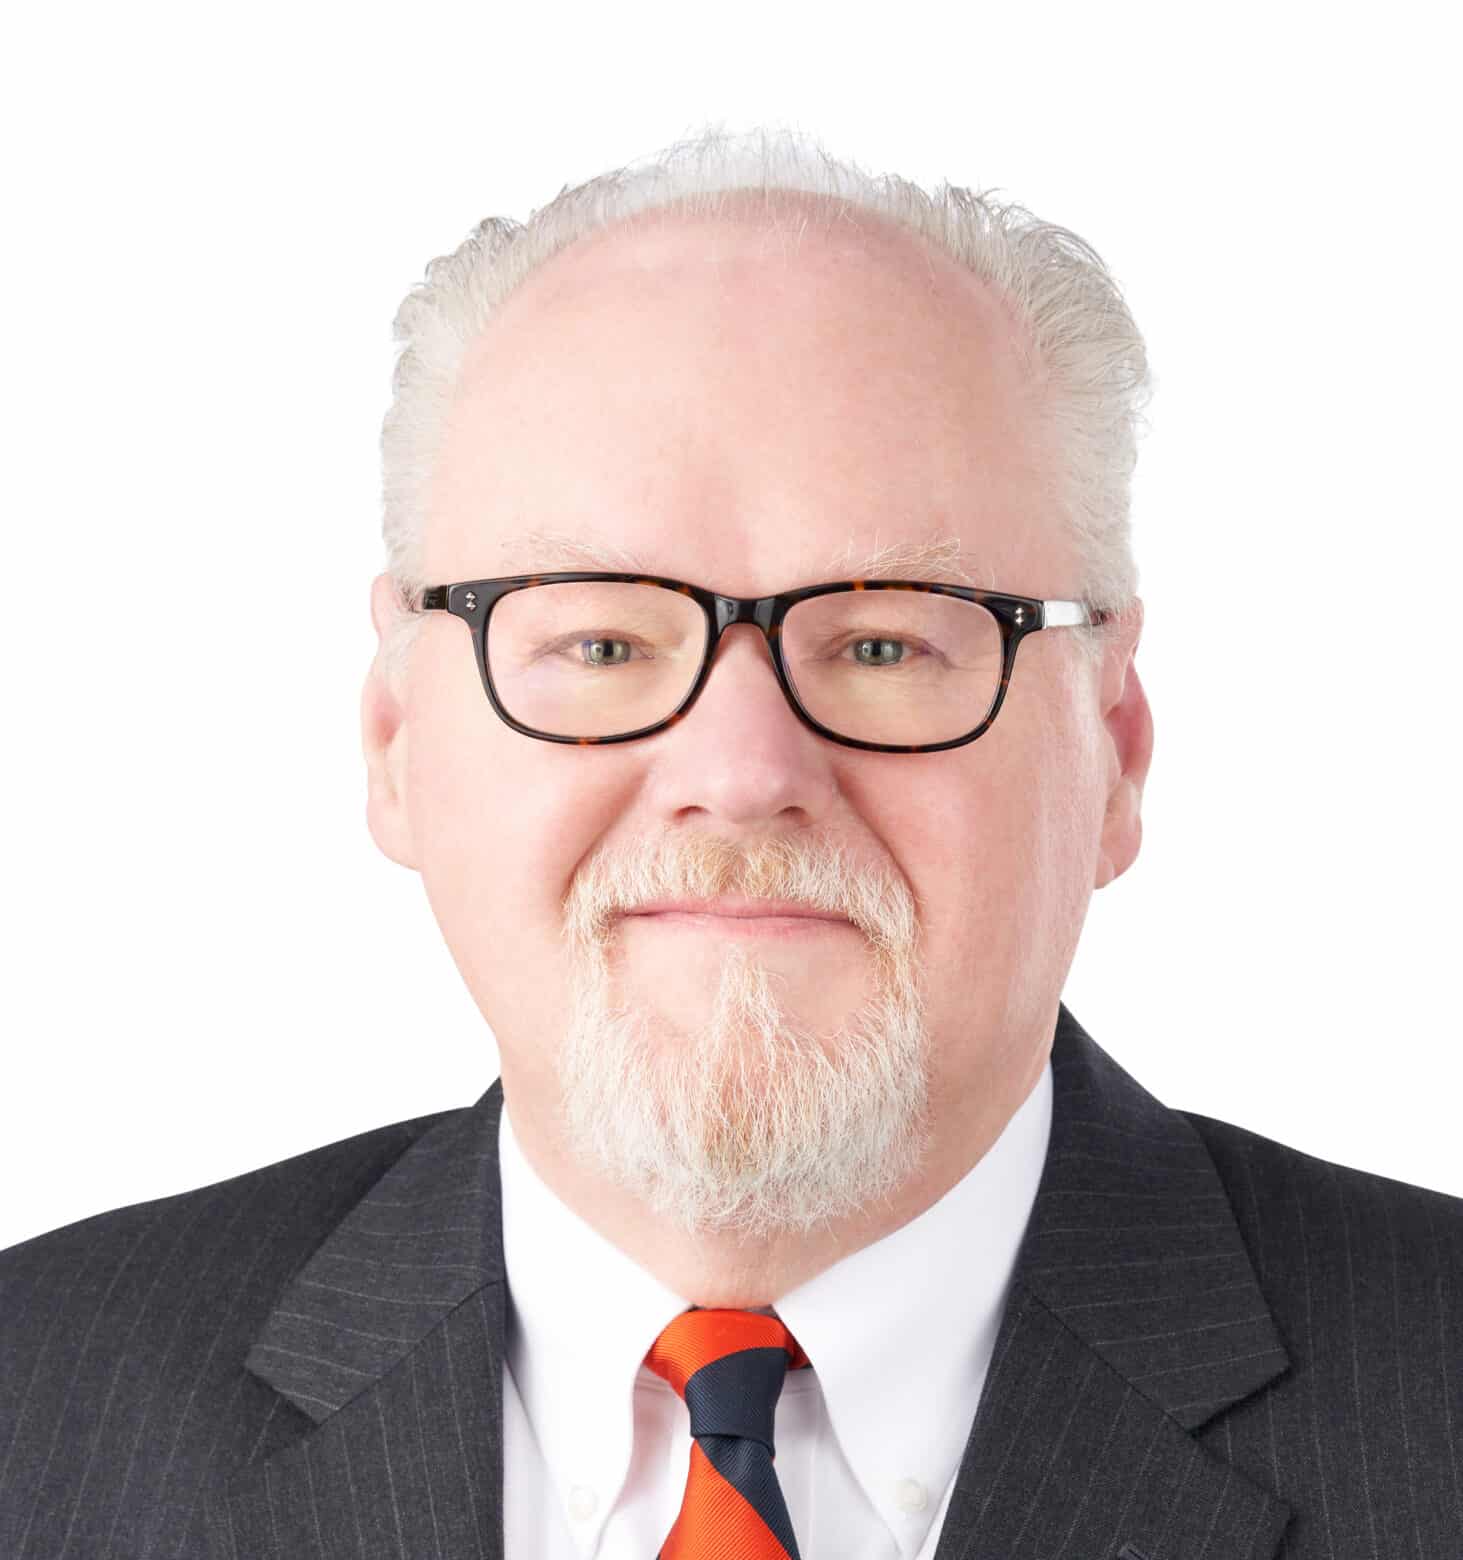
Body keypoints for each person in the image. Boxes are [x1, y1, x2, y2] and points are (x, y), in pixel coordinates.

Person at [1, 125, 1458, 1560]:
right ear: (394, 740)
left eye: (885, 643)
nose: (743, 772)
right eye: (604, 639)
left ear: (1117, 751)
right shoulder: (35, 1411)